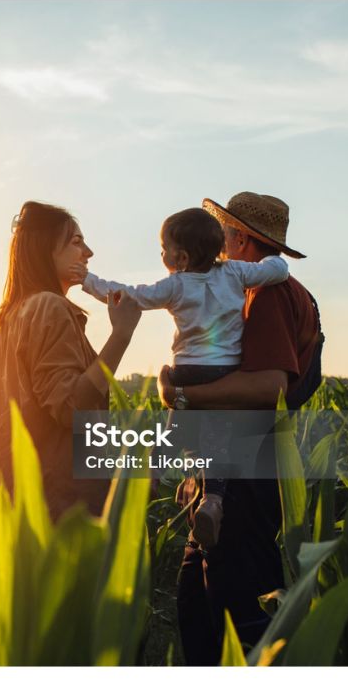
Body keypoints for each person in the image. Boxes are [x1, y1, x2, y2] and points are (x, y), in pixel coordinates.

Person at [156, 191, 324, 666]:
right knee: (198, 601)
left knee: (237, 614)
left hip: (245, 476)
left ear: (242, 239)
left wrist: (185, 396)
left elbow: (269, 386)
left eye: (223, 232)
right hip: (231, 471)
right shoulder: (259, 290)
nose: (218, 241)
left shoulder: (268, 295)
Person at [78, 207, 289, 547]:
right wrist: (268, 263)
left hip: (187, 369)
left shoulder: (175, 285)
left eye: (164, 249)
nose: (162, 255)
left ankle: (152, 474)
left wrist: (86, 280)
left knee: (174, 429)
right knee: (219, 442)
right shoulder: (235, 273)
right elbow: (278, 269)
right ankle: (214, 500)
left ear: (181, 256)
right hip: (223, 370)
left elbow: (127, 295)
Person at [0, 200, 142, 542]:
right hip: (56, 512)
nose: (88, 253)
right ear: (46, 249)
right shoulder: (50, 307)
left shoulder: (0, 325)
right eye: (77, 242)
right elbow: (71, 405)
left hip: (6, 512)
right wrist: (121, 335)